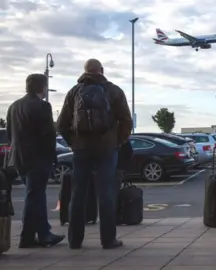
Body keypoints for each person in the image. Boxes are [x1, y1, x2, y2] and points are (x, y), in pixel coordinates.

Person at [57, 59, 133, 249]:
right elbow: (126, 120)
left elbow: (61, 124)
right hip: (107, 148)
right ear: (102, 70)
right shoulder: (113, 90)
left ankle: (75, 240)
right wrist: (118, 141)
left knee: (78, 193)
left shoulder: (74, 92)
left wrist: (73, 142)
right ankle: (108, 239)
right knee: (105, 192)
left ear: (84, 72)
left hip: (81, 149)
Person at [6, 74, 65, 248]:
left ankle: (33, 235)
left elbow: (11, 134)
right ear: (42, 87)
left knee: (33, 195)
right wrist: (51, 156)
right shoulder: (43, 106)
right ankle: (35, 236)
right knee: (36, 196)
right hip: (38, 157)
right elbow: (48, 135)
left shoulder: (14, 106)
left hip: (19, 158)